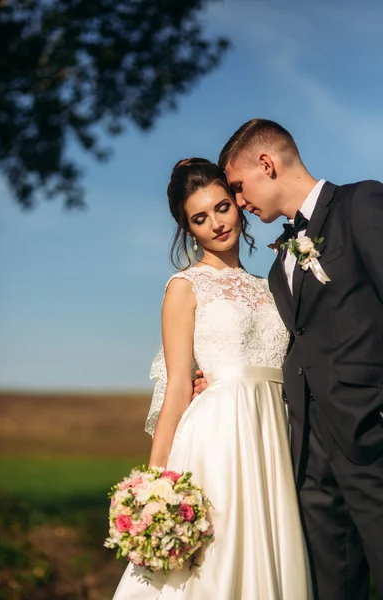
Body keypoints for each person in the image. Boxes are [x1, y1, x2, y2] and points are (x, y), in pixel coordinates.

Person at [195, 119, 383, 600]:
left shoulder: (361, 204)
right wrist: (222, 380)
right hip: (307, 460)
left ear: (267, 164)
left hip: (371, 440)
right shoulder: (279, 263)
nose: (237, 203)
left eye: (237, 187)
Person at [112, 158, 312, 599]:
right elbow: (178, 387)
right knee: (218, 563)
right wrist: (153, 484)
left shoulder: (273, 283)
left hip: (277, 434)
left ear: (238, 205)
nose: (216, 224)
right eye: (200, 218)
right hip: (219, 439)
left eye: (222, 208)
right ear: (188, 229)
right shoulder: (185, 287)